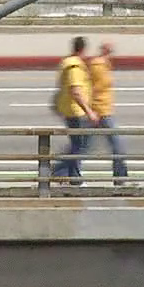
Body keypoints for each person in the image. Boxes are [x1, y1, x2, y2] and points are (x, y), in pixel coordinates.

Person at [49, 36, 95, 185]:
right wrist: (89, 111)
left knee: (78, 145)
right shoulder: (74, 67)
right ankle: (73, 178)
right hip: (76, 112)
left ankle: (62, 173)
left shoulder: (68, 62)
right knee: (79, 146)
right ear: (83, 49)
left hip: (70, 110)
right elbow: (76, 91)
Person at [86, 41, 129, 186]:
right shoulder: (98, 66)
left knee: (81, 145)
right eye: (110, 51)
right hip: (101, 112)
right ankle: (120, 178)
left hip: (104, 110)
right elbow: (91, 89)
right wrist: (92, 111)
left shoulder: (105, 65)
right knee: (118, 145)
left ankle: (62, 171)